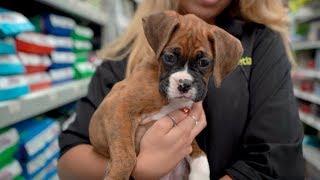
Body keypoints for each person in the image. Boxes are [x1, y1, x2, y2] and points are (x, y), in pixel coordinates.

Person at [58, 0, 305, 179]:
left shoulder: (261, 42)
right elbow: (69, 158)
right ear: (157, 45)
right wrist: (136, 169)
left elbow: (279, 160)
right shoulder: (121, 56)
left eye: (203, 63)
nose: (185, 78)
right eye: (169, 58)